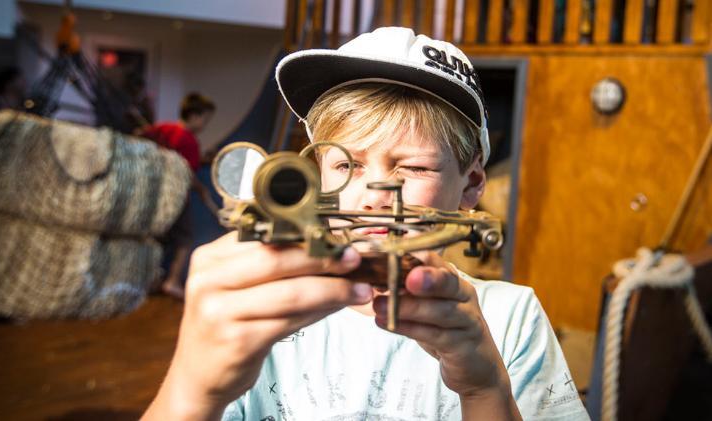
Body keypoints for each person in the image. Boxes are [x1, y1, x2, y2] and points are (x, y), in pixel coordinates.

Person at [143, 27, 589, 420]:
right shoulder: (263, 310)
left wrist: (484, 388)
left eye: (413, 168)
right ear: (315, 173)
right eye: (345, 165)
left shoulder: (512, 318)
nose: (376, 196)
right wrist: (192, 387)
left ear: (471, 184)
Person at [141, 93, 219, 299]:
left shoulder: (163, 129)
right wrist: (202, 191)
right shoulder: (189, 141)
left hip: (155, 196)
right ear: (194, 116)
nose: (204, 125)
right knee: (184, 239)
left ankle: (150, 280)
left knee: (157, 239)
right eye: (204, 119)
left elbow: (140, 134)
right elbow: (188, 175)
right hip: (176, 199)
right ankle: (172, 281)